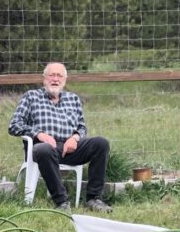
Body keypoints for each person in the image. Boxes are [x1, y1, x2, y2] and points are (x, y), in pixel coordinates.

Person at [8, 62, 112, 213]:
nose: (55, 79)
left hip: (69, 149)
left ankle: (94, 198)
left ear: (64, 80)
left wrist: (75, 138)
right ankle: (61, 201)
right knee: (44, 149)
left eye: (59, 76)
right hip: (43, 150)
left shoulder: (73, 99)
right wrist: (39, 134)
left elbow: (82, 127)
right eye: (51, 75)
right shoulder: (31, 97)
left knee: (101, 143)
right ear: (44, 79)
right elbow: (14, 125)